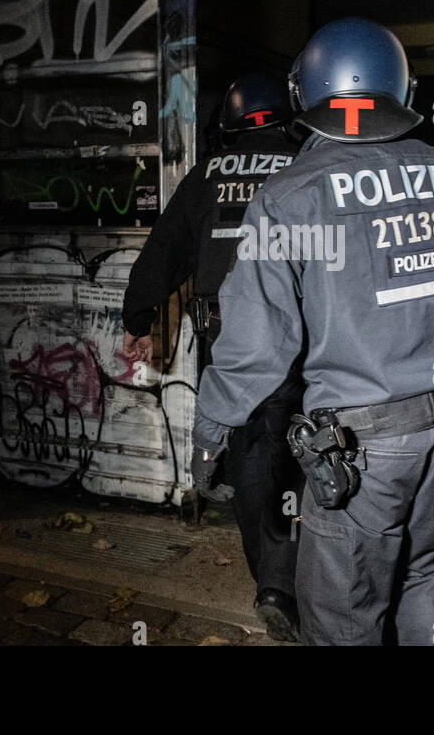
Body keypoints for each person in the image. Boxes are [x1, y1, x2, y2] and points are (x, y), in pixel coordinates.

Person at [191, 17, 434, 646]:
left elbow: (258, 345)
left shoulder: (289, 195)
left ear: (308, 91)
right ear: (399, 88)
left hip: (361, 453)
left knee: (343, 616)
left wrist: (212, 429)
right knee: (426, 575)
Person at [120, 72, 305, 641]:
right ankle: (303, 578)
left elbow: (163, 251)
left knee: (252, 461)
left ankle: (272, 584)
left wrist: (139, 319)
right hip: (306, 346)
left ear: (228, 126)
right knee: (307, 457)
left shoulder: (205, 177)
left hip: (230, 347)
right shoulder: (309, 168)